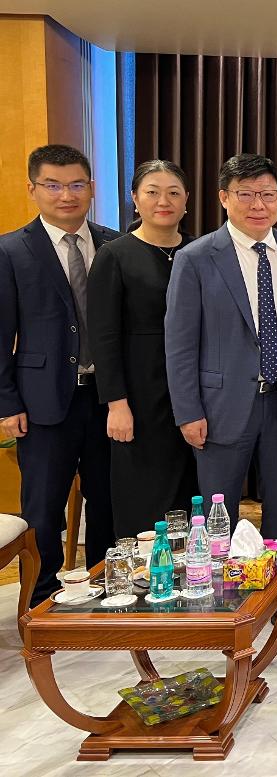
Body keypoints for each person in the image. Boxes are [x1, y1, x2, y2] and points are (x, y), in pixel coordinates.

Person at [165, 153, 277, 545]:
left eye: (268, 194)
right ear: (224, 197)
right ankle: (221, 585)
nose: (258, 205)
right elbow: (179, 343)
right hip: (219, 406)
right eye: (245, 194)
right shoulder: (195, 257)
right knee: (219, 517)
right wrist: (188, 412)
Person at [0, 145, 119, 604]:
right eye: (53, 185)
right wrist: (7, 402)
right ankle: (41, 597)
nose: (66, 195)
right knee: (43, 508)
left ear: (92, 188)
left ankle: (108, 585)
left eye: (76, 185)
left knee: (109, 501)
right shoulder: (11, 250)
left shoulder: (114, 244)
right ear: (32, 189)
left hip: (108, 399)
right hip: (41, 401)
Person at [87, 160, 197, 539]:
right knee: (144, 496)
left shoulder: (201, 251)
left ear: (186, 200)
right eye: (152, 192)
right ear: (135, 199)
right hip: (139, 396)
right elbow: (103, 336)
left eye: (173, 193)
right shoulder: (114, 255)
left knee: (192, 494)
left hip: (193, 393)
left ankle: (192, 570)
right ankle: (145, 574)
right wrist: (116, 404)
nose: (163, 201)